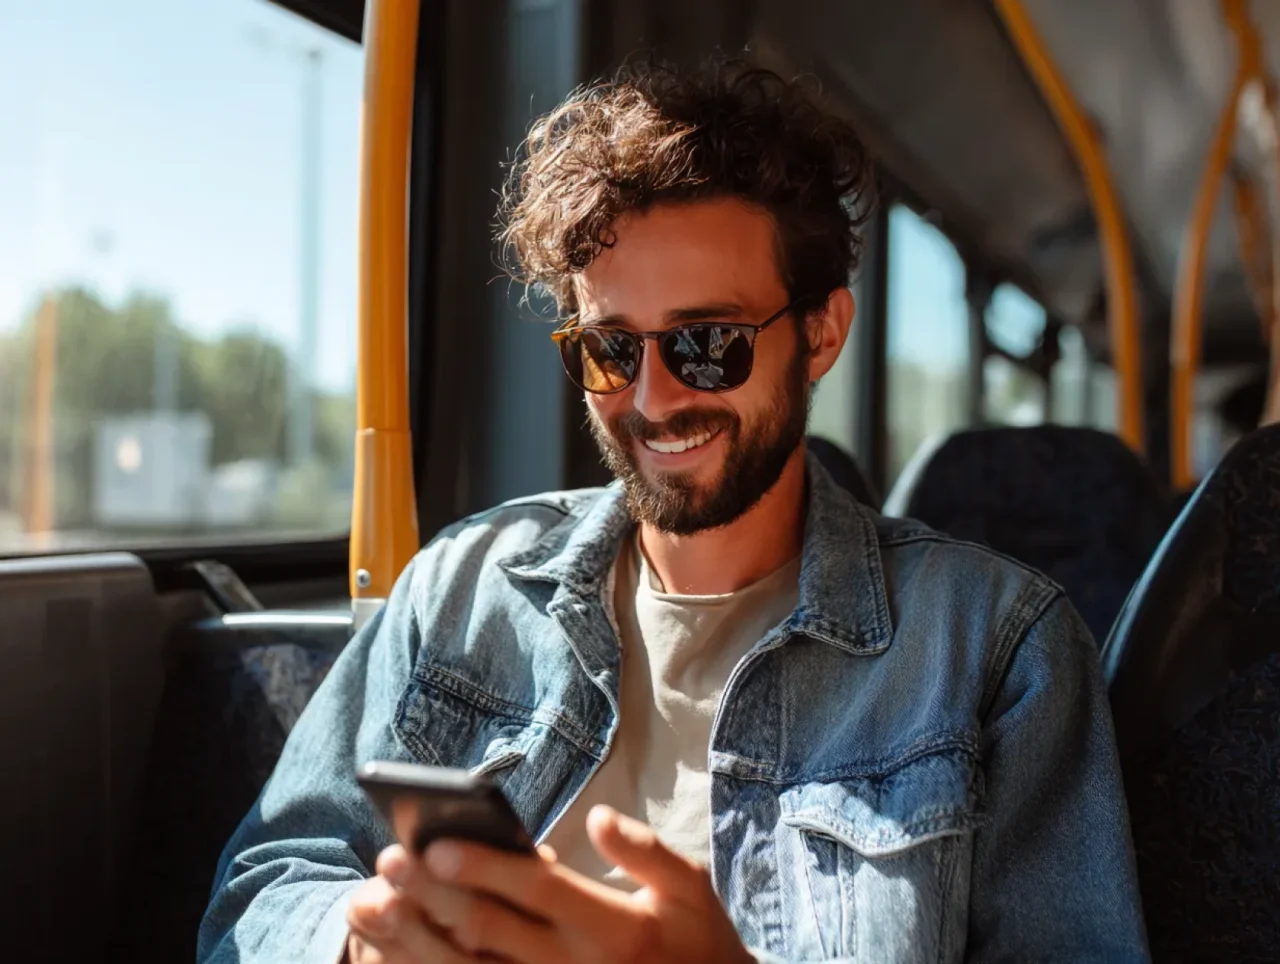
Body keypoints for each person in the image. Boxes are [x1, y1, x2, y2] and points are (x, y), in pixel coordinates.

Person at [199, 57, 1149, 963]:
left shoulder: (995, 649)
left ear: (821, 334)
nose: (653, 400)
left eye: (707, 345)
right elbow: (267, 884)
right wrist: (362, 940)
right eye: (611, 350)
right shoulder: (463, 587)